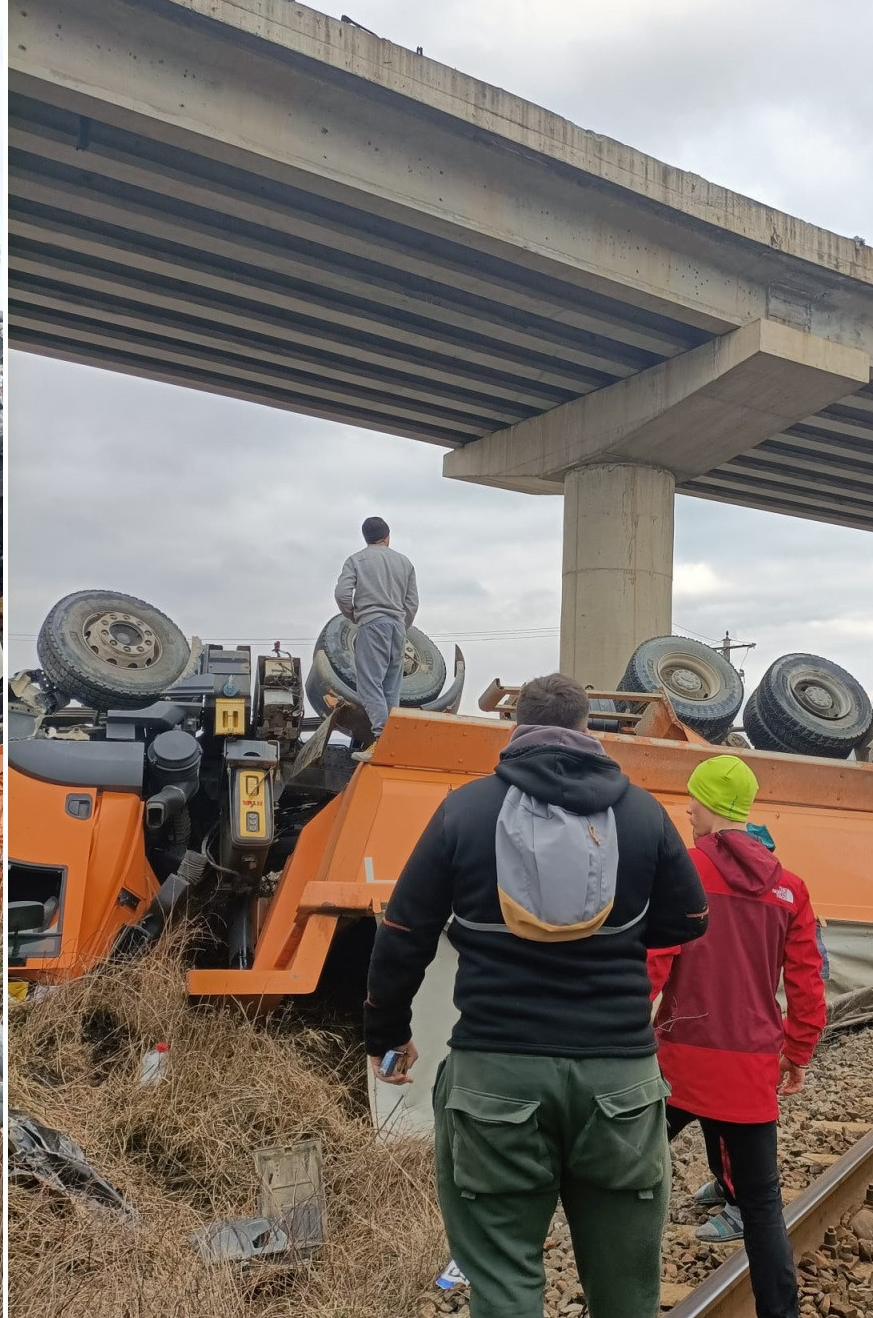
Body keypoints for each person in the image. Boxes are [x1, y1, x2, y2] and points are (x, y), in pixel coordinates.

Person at [366, 672, 710, 1318]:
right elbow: (690, 921)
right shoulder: (640, 815)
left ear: (514, 729)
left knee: (501, 1281)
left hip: (495, 1077)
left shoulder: (464, 811)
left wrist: (386, 1034)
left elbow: (402, 935)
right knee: (626, 1293)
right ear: (587, 731)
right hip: (618, 1084)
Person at [647, 755, 825, 1318]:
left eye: (692, 802)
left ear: (707, 807)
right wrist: (796, 1053)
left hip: (676, 1066)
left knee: (622, 1178)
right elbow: (806, 985)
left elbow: (650, 966)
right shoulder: (790, 889)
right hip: (750, 1067)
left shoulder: (682, 872)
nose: (687, 811)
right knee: (763, 1204)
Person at [334, 516, 418, 759]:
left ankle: (382, 740)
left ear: (365, 538)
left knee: (370, 684)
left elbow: (342, 593)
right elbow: (412, 602)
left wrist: (354, 616)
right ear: (388, 536)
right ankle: (394, 740)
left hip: (372, 624)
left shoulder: (356, 560)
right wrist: (403, 624)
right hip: (398, 627)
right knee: (391, 687)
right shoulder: (404, 562)